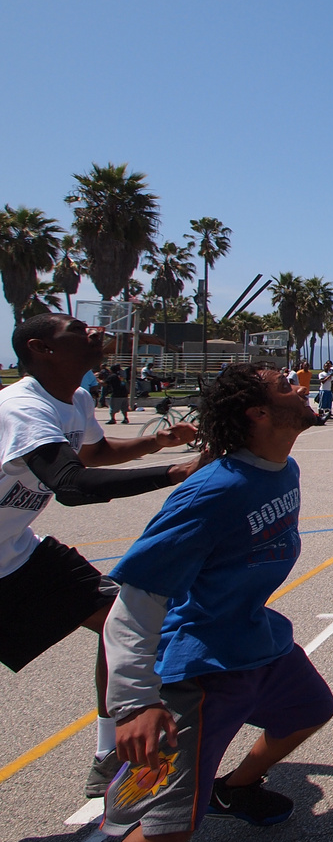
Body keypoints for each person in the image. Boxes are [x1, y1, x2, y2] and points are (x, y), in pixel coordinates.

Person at [100, 363, 333, 842]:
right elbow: (138, 596)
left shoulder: (281, 467)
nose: (301, 387)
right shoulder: (215, 492)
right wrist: (134, 703)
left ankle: (233, 790)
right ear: (259, 413)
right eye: (286, 386)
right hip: (202, 664)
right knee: (169, 829)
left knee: (310, 707)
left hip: (253, 637)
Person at [0, 314, 206, 798]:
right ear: (41, 349)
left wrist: (155, 442)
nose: (95, 331)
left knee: (122, 618)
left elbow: (90, 454)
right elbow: (71, 485)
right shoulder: (20, 407)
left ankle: (110, 753)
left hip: (18, 554)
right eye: (77, 329)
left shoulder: (75, 397)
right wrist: (173, 471)